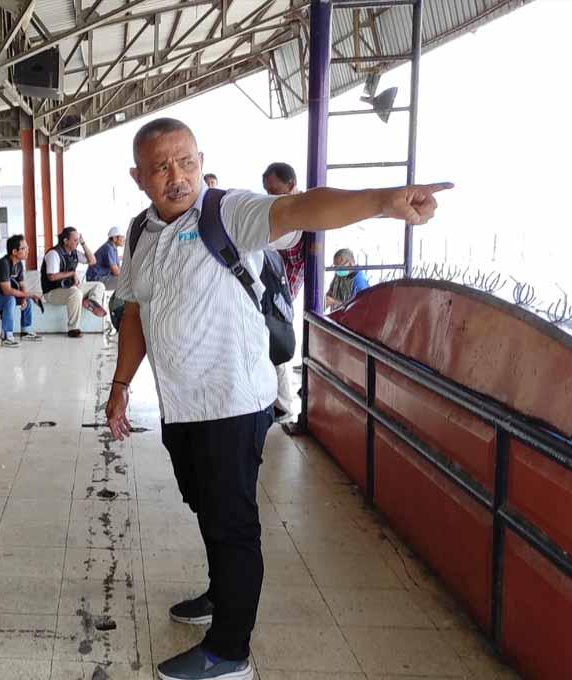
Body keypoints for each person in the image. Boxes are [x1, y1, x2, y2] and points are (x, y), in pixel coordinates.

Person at [107, 117, 450, 680]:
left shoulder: (228, 212)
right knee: (207, 507)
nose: (178, 176)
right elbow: (137, 313)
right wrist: (122, 386)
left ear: (200, 159)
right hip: (180, 404)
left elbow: (300, 209)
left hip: (234, 403)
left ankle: (229, 651)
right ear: (138, 176)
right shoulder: (141, 232)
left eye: (186, 161)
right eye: (161, 167)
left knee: (233, 521)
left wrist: (384, 201)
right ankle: (222, 593)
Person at [262, 162, 306, 423]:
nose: (270, 197)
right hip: (275, 288)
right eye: (266, 191)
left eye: (274, 191)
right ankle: (279, 402)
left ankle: (284, 404)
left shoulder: (298, 212)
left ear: (291, 185)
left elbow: (268, 240)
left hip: (282, 291)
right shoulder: (287, 210)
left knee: (276, 345)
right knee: (272, 344)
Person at [0, 233, 44, 346]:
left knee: (27, 300)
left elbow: (22, 285)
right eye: (24, 248)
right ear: (14, 252)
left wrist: (25, 297)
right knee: (10, 299)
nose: (27, 250)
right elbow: (7, 291)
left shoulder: (19, 265)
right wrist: (28, 294)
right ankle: (7, 336)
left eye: (27, 247)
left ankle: (25, 331)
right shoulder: (3, 264)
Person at [41, 226, 108, 338]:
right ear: (66, 241)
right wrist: (72, 273)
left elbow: (92, 261)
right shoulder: (54, 254)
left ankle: (92, 302)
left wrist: (83, 243)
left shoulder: (74, 253)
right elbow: (51, 277)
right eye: (75, 240)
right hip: (52, 292)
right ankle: (73, 329)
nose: (77, 242)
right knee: (76, 293)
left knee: (99, 285)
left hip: (69, 289)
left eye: (78, 239)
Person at [86, 226, 125, 290]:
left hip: (103, 277)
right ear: (115, 238)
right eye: (122, 237)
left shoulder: (113, 249)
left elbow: (118, 268)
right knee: (125, 281)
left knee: (125, 280)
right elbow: (116, 272)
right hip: (96, 279)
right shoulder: (108, 248)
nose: (124, 239)